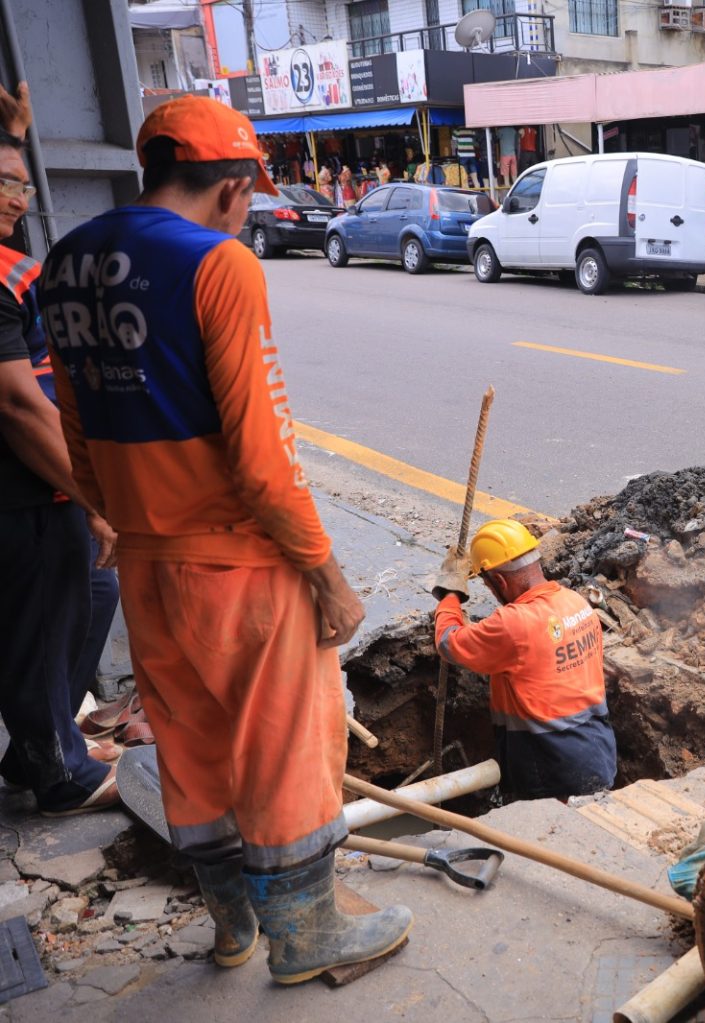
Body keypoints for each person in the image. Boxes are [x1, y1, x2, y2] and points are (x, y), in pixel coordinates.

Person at [39, 96, 411, 984]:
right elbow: (264, 460)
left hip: (147, 565)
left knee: (192, 747)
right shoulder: (220, 264)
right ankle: (306, 934)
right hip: (239, 565)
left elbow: (76, 428)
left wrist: (116, 516)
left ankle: (232, 927)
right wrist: (328, 578)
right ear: (234, 187)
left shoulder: (65, 262)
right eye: (250, 196)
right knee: (284, 749)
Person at [0, 80, 120, 816]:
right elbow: (18, 405)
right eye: (4, 184)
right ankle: (59, 774)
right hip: (21, 491)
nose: (18, 199)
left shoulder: (7, 262)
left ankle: (35, 746)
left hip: (42, 487)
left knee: (96, 591)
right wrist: (95, 498)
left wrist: (14, 133)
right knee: (44, 620)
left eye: (20, 185)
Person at [431, 519, 617, 801]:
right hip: (597, 752)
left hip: (550, 765)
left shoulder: (514, 623)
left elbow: (448, 642)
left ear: (500, 581)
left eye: (487, 583)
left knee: (552, 826)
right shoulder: (576, 603)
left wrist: (449, 594)